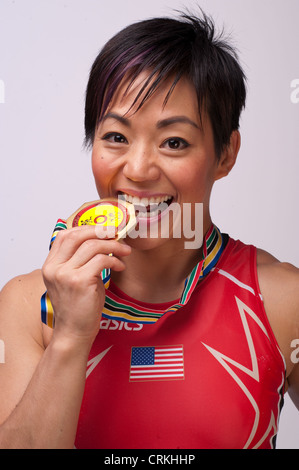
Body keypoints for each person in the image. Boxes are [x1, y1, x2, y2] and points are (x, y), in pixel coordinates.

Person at [0, 10, 298, 450]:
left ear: (225, 155)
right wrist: (69, 335)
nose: (136, 170)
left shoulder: (280, 300)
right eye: (116, 137)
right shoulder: (31, 305)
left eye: (174, 142)